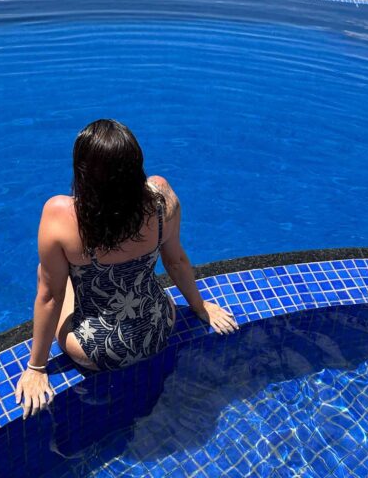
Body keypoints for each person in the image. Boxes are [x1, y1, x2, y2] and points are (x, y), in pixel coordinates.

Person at [14, 119, 238, 418]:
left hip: (97, 350)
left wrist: (36, 367)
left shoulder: (60, 215)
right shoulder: (161, 199)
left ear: (82, 171)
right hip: (158, 328)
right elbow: (176, 261)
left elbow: (50, 297)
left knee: (50, 275)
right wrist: (200, 307)